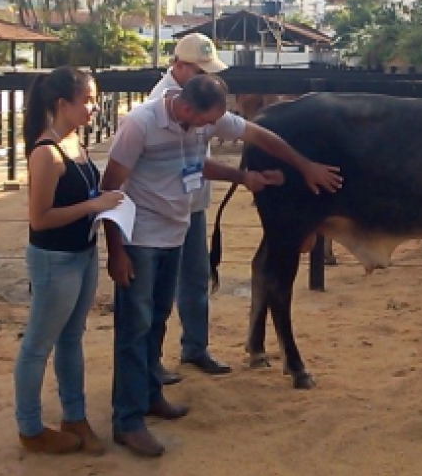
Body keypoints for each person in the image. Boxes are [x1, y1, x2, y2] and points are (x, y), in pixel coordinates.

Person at [101, 74, 341, 457]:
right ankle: (127, 420)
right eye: (206, 121)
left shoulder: (201, 121)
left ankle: (149, 395)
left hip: (174, 234)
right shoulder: (140, 124)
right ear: (185, 107)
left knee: (158, 318)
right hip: (140, 237)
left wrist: (293, 167)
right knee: (134, 326)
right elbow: (110, 187)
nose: (211, 129)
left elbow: (254, 140)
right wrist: (116, 251)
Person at [14, 67, 123, 456]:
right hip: (55, 259)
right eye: (88, 100)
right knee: (38, 344)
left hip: (81, 252)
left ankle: (74, 416)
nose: (94, 107)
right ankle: (30, 427)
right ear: (63, 104)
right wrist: (94, 206)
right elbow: (39, 219)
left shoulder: (74, 141)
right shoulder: (47, 153)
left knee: (71, 337)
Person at [146, 33, 231, 385]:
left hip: (191, 204)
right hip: (164, 210)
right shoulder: (160, 106)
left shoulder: (198, 100)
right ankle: (152, 359)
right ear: (179, 66)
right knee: (159, 288)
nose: (205, 78)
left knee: (195, 277)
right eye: (199, 71)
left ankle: (195, 347)